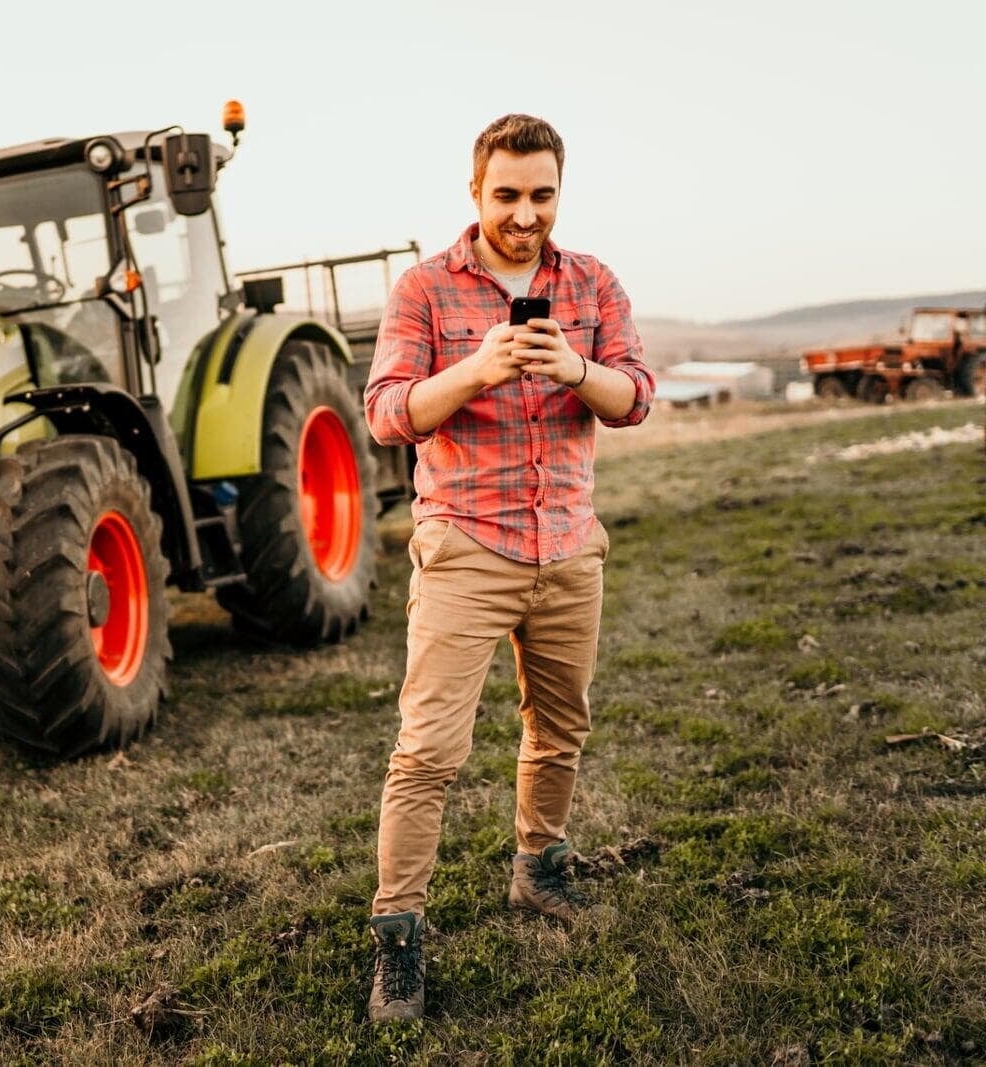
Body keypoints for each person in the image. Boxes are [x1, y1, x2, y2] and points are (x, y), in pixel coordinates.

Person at [360, 113, 657, 1023]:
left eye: (542, 195)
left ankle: (540, 868)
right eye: (507, 196)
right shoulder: (423, 289)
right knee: (428, 753)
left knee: (559, 726)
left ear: (558, 191)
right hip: (466, 548)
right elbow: (386, 414)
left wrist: (574, 368)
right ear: (475, 190)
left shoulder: (594, 281)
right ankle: (398, 940)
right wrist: (477, 372)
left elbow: (636, 398)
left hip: (568, 546)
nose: (525, 215)